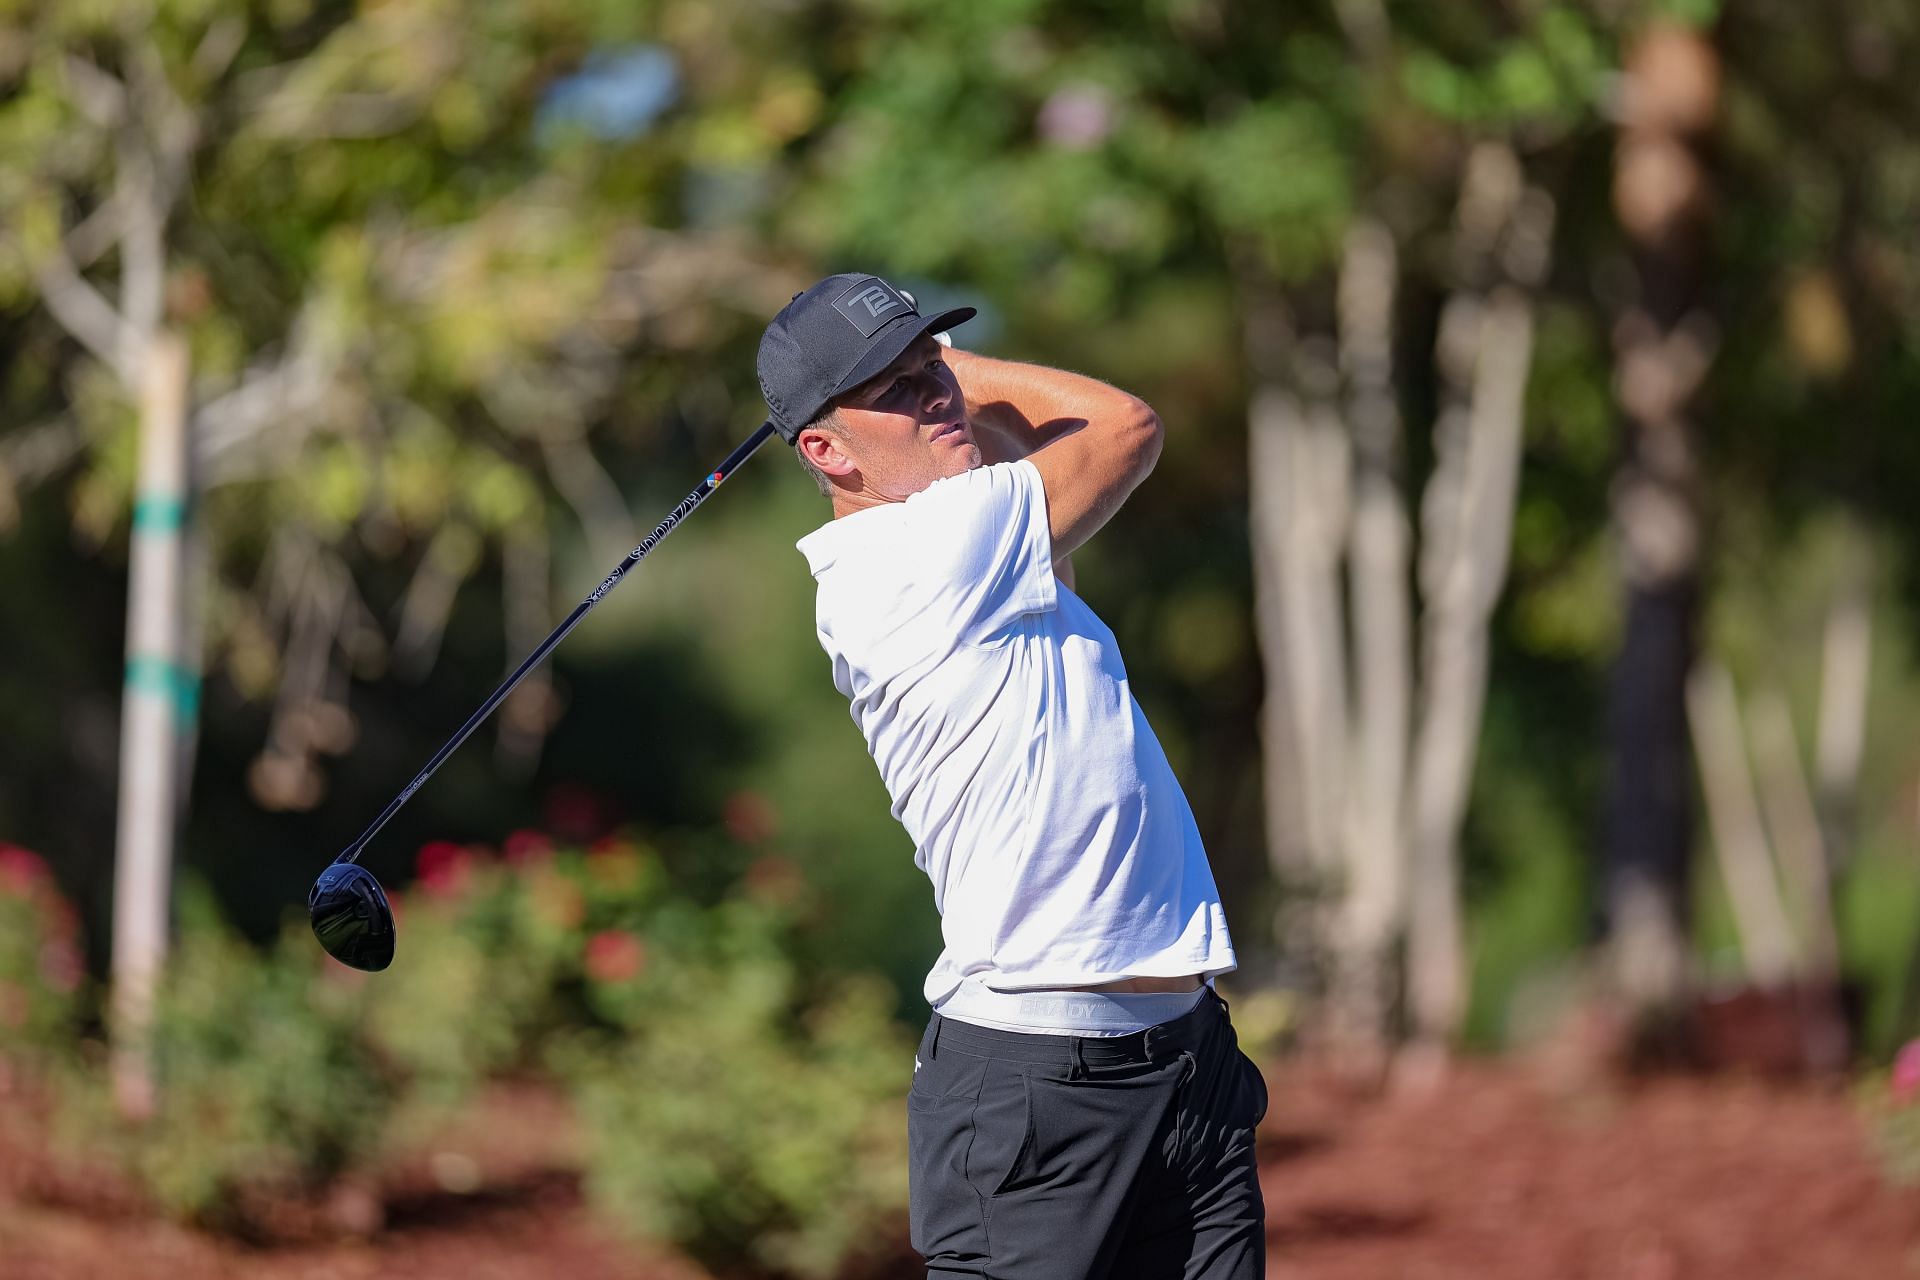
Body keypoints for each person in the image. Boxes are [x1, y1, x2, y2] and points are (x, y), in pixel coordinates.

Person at [758, 273, 1266, 1279]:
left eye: (928, 363)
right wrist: (960, 366)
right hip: (1039, 1088)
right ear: (825, 449)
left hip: (1184, 1059)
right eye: (897, 387)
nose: (933, 391)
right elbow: (1123, 426)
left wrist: (933, 393)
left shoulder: (985, 554)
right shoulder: (907, 563)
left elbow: (1040, 471)